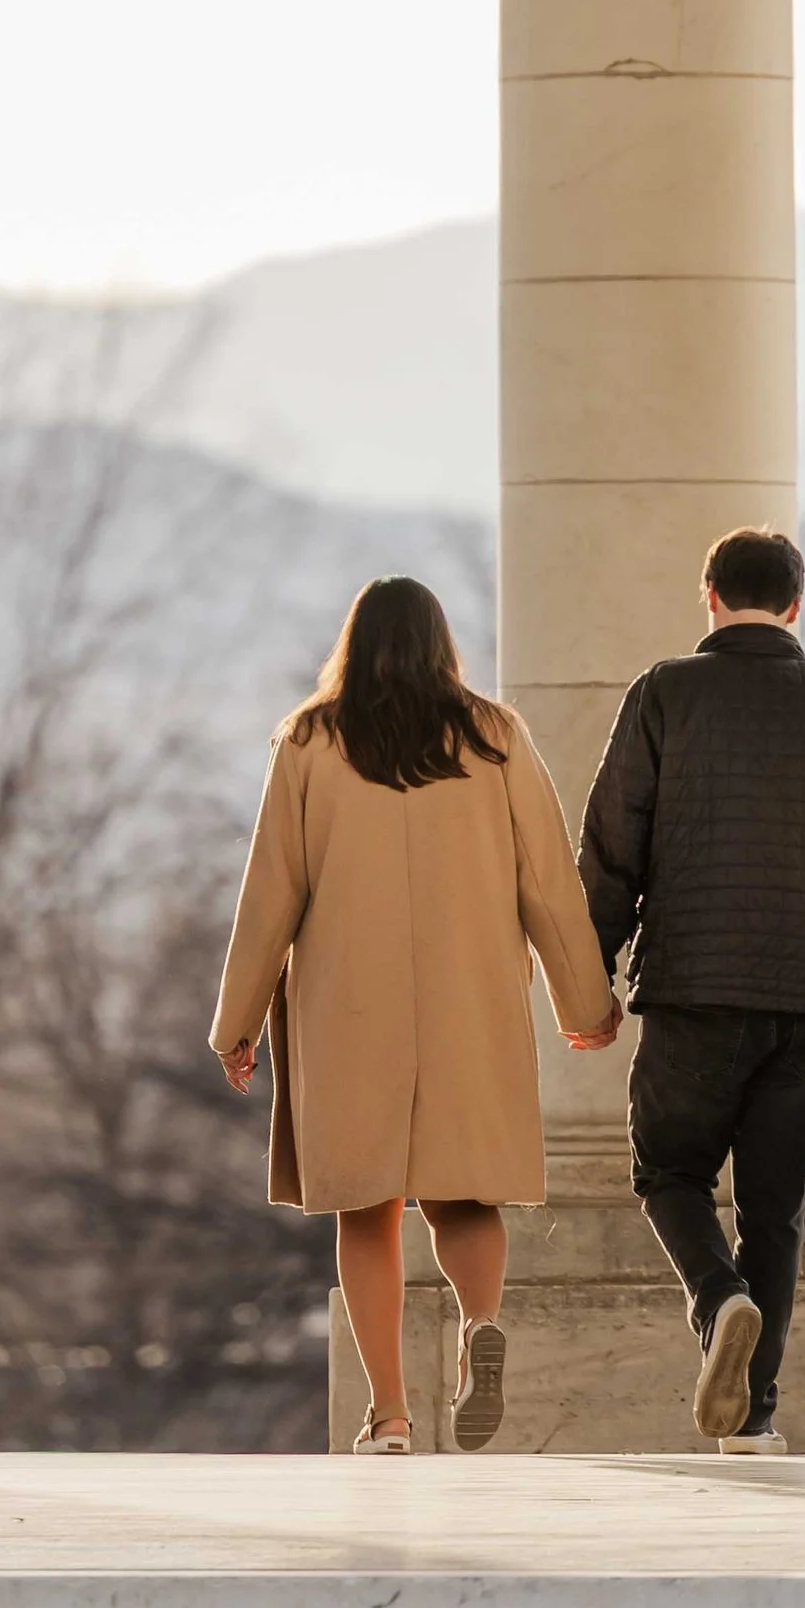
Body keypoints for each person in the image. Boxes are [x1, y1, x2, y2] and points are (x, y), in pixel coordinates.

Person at [212, 574, 618, 1455]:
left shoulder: (309, 741)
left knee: (368, 1207)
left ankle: (390, 1416)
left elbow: (272, 892)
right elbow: (546, 881)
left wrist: (236, 1022)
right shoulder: (495, 736)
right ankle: (478, 1324)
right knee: (463, 1192)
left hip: (348, 1007)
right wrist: (585, 1001)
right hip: (467, 1001)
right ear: (442, 645)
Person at [579, 525, 805, 1452]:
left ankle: (717, 1296)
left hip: (694, 988)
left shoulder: (664, 693)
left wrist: (588, 982)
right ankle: (754, 1420)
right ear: (797, 603)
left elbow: (614, 848)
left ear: (710, 595)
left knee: (671, 1171)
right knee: (776, 1207)